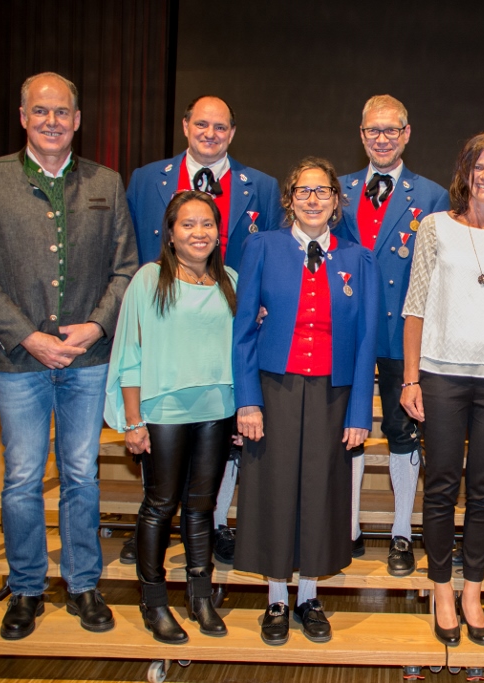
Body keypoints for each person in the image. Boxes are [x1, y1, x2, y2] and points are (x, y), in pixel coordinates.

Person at [0, 72, 138, 639]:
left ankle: (83, 584)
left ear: (77, 120)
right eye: (41, 111)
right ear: (23, 117)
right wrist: (28, 336)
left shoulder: (106, 182)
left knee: (82, 474)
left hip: (88, 359)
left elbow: (126, 268)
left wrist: (95, 327)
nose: (52, 121)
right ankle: (26, 587)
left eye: (62, 112)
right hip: (19, 361)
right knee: (22, 478)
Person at [125, 95, 284, 566]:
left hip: (225, 337)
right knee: (163, 481)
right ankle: (154, 528)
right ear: (185, 126)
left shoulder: (263, 187)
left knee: (214, 465)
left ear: (232, 133)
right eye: (201, 124)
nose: (210, 134)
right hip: (166, 339)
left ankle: (214, 525)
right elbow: (132, 249)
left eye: (220, 127)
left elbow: (271, 257)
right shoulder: (145, 180)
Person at [233, 158, 379, 645]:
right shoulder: (262, 247)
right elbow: (243, 332)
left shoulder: (359, 259)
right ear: (289, 198)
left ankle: (310, 596)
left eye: (322, 191)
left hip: (333, 393)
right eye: (303, 190)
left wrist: (360, 412)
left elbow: (366, 340)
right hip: (273, 388)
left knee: (321, 490)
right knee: (273, 488)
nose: (313, 199)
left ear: (337, 201)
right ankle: (277, 597)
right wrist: (247, 401)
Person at [401, 132, 484, 647]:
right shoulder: (435, 228)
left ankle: (473, 593)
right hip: (440, 375)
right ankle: (442, 590)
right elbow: (414, 307)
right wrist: (410, 378)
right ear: (465, 173)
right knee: (440, 486)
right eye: (478, 166)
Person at [104, 191, 237, 644]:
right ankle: (154, 601)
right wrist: (133, 420)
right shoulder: (149, 279)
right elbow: (129, 352)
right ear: (171, 233)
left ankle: (200, 597)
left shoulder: (230, 281)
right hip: (163, 412)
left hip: (217, 410)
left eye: (207, 224)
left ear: (218, 233)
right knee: (160, 505)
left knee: (201, 508)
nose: (199, 233)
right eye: (188, 224)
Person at [336, 95, 448, 574]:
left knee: (403, 431)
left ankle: (402, 531)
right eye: (372, 131)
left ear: (406, 134)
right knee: (347, 431)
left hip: (405, 336)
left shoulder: (433, 197)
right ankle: (348, 529)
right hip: (347, 335)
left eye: (390, 130)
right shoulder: (337, 191)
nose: (381, 139)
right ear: (361, 135)